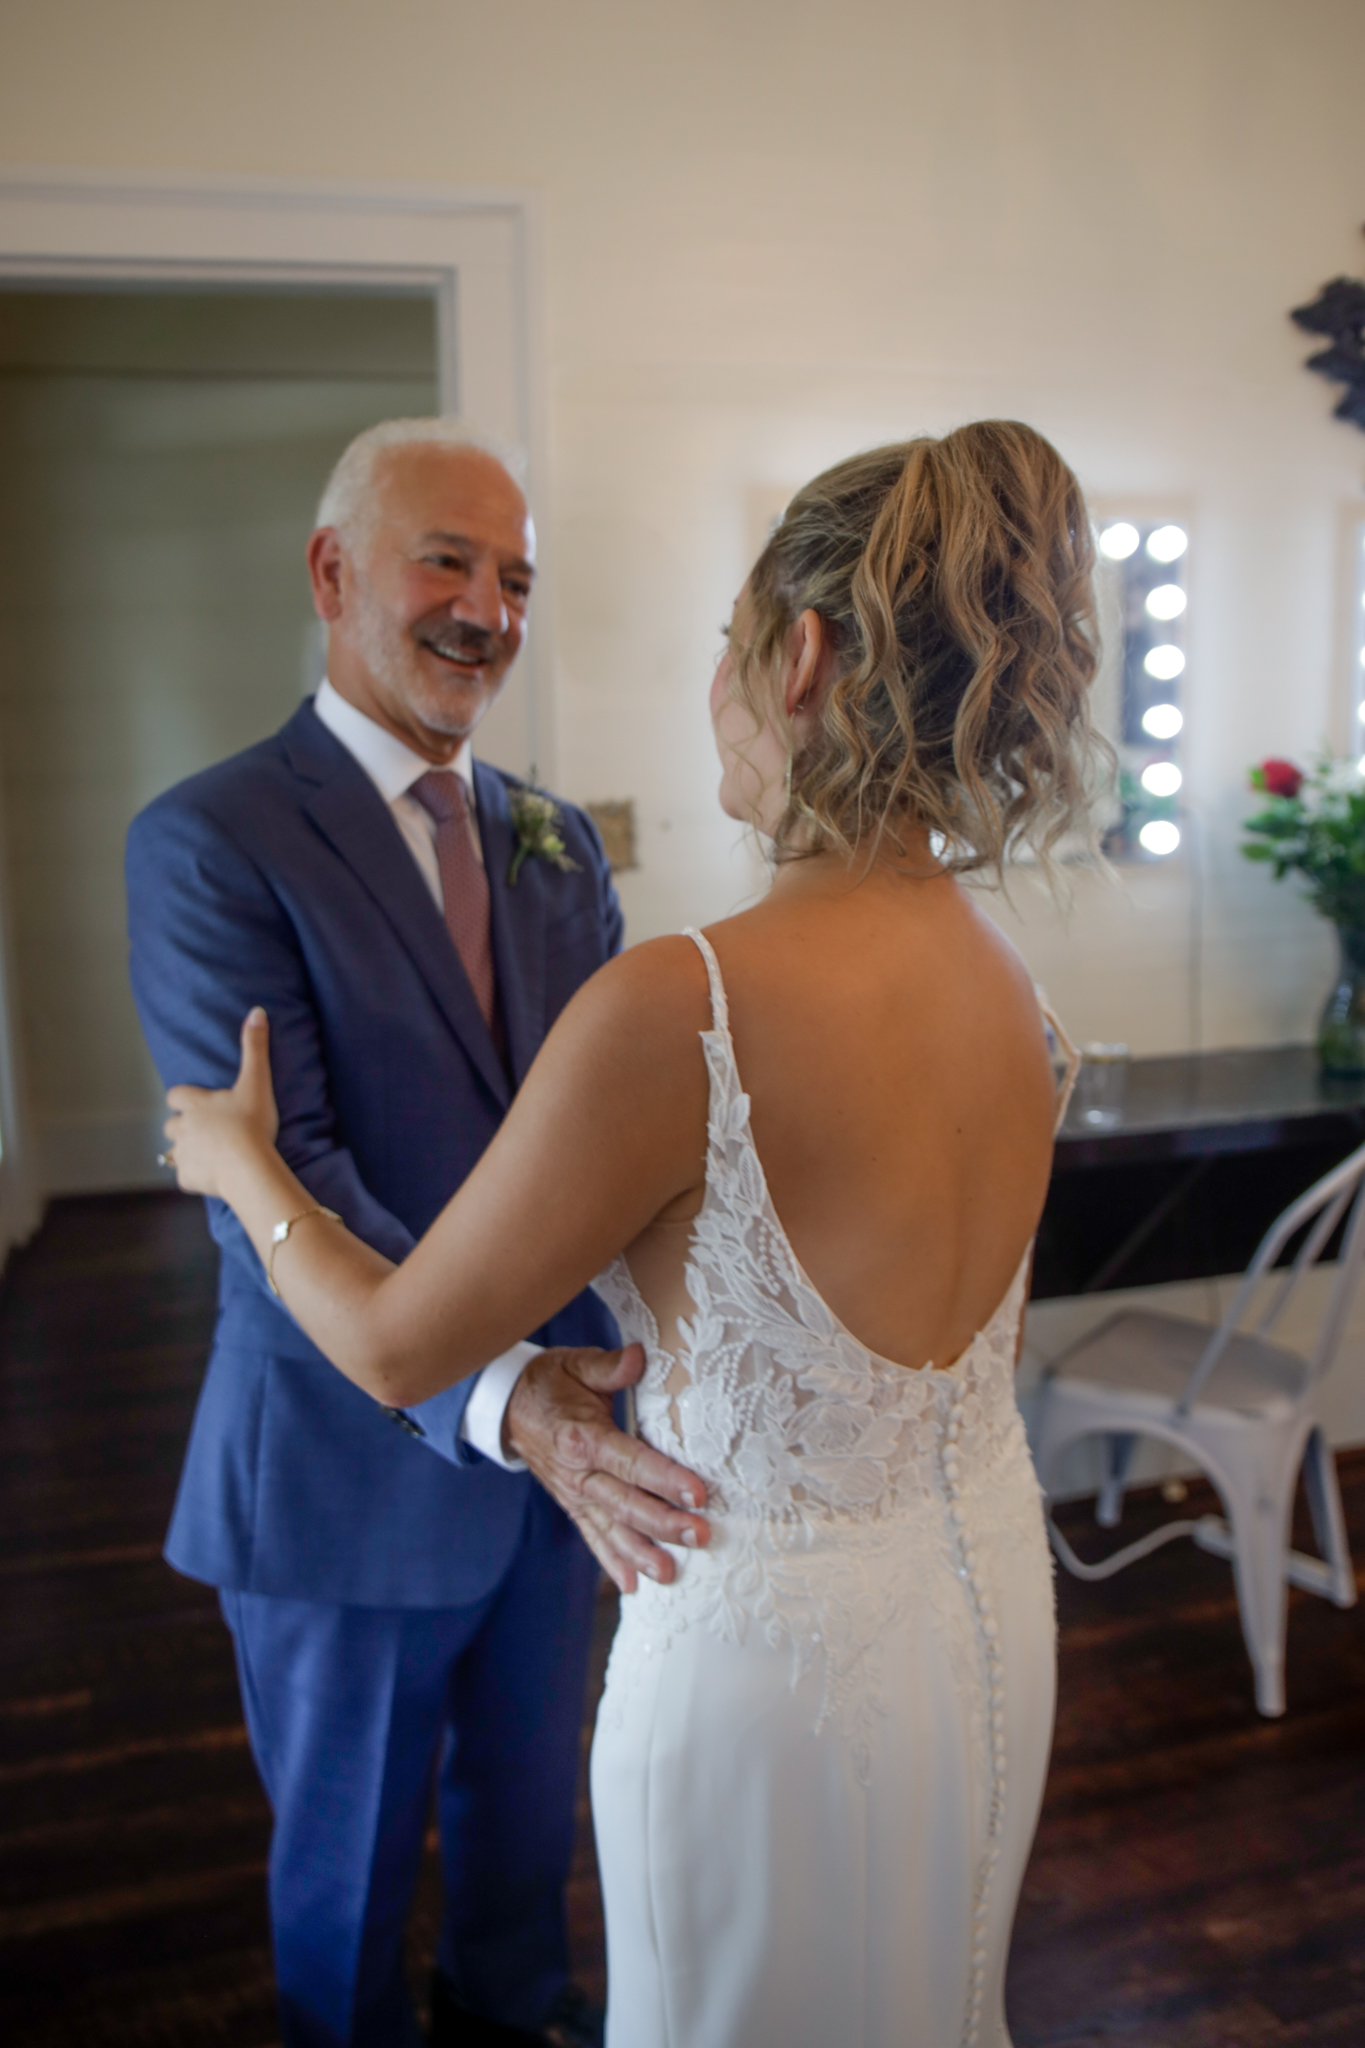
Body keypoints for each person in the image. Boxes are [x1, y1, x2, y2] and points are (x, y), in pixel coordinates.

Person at [159, 418, 1099, 2048]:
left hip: (757, 1656)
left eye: (730, 641)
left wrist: (238, 1167)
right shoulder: (1011, 990)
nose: (490, 608)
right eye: (447, 562)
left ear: (798, 659)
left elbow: (396, 1336)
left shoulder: (682, 995)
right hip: (977, 1615)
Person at [126, 419, 709, 2048]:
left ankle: (514, 2015)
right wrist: (508, 1394)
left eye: (515, 577)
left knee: (529, 1841)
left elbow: (595, 1136)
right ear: (331, 574)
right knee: (347, 1882)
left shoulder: (553, 837)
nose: (487, 610)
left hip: (559, 1474)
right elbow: (280, 1180)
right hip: (345, 1471)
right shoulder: (210, 840)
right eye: (445, 561)